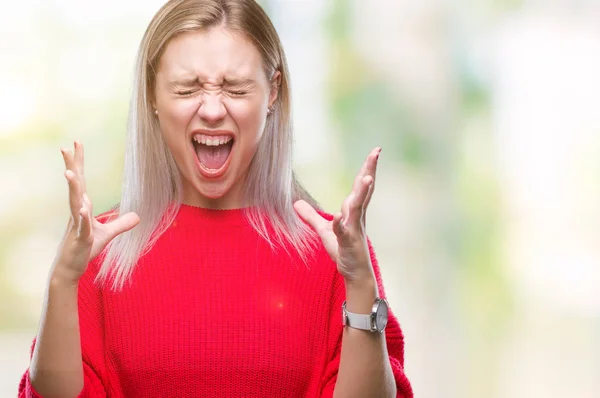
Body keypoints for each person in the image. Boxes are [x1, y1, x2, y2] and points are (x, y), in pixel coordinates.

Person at [18, 0, 413, 397]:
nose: (211, 110)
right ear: (152, 93)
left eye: (235, 88)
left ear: (273, 91)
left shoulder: (335, 253)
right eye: (188, 88)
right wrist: (62, 280)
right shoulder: (99, 251)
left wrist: (361, 283)